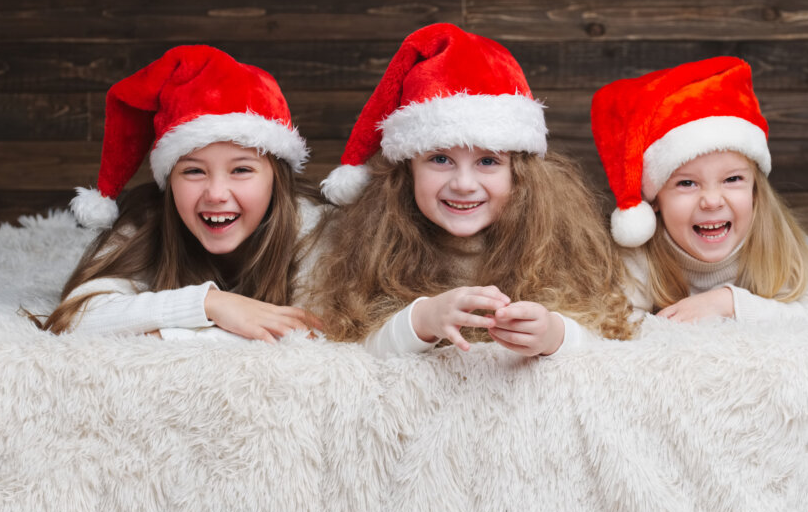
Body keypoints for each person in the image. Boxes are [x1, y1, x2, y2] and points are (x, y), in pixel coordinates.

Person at [307, 23, 631, 357]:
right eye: (440, 158)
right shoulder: (377, 242)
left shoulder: (557, 240)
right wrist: (421, 320)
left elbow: (609, 342)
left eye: (487, 162)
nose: (463, 184)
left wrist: (556, 336)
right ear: (407, 172)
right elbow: (353, 353)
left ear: (520, 175)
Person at [37, 45, 324, 342]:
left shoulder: (314, 225)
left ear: (277, 180)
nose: (215, 194)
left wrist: (166, 333)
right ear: (169, 180)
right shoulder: (147, 219)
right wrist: (210, 304)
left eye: (241, 170)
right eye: (193, 171)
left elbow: (311, 334)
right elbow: (78, 317)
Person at [591, 56, 808, 324]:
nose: (712, 201)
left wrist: (728, 303)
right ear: (654, 201)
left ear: (755, 190)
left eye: (732, 179)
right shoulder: (640, 259)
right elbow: (617, 324)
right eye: (687, 183)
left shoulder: (772, 241)